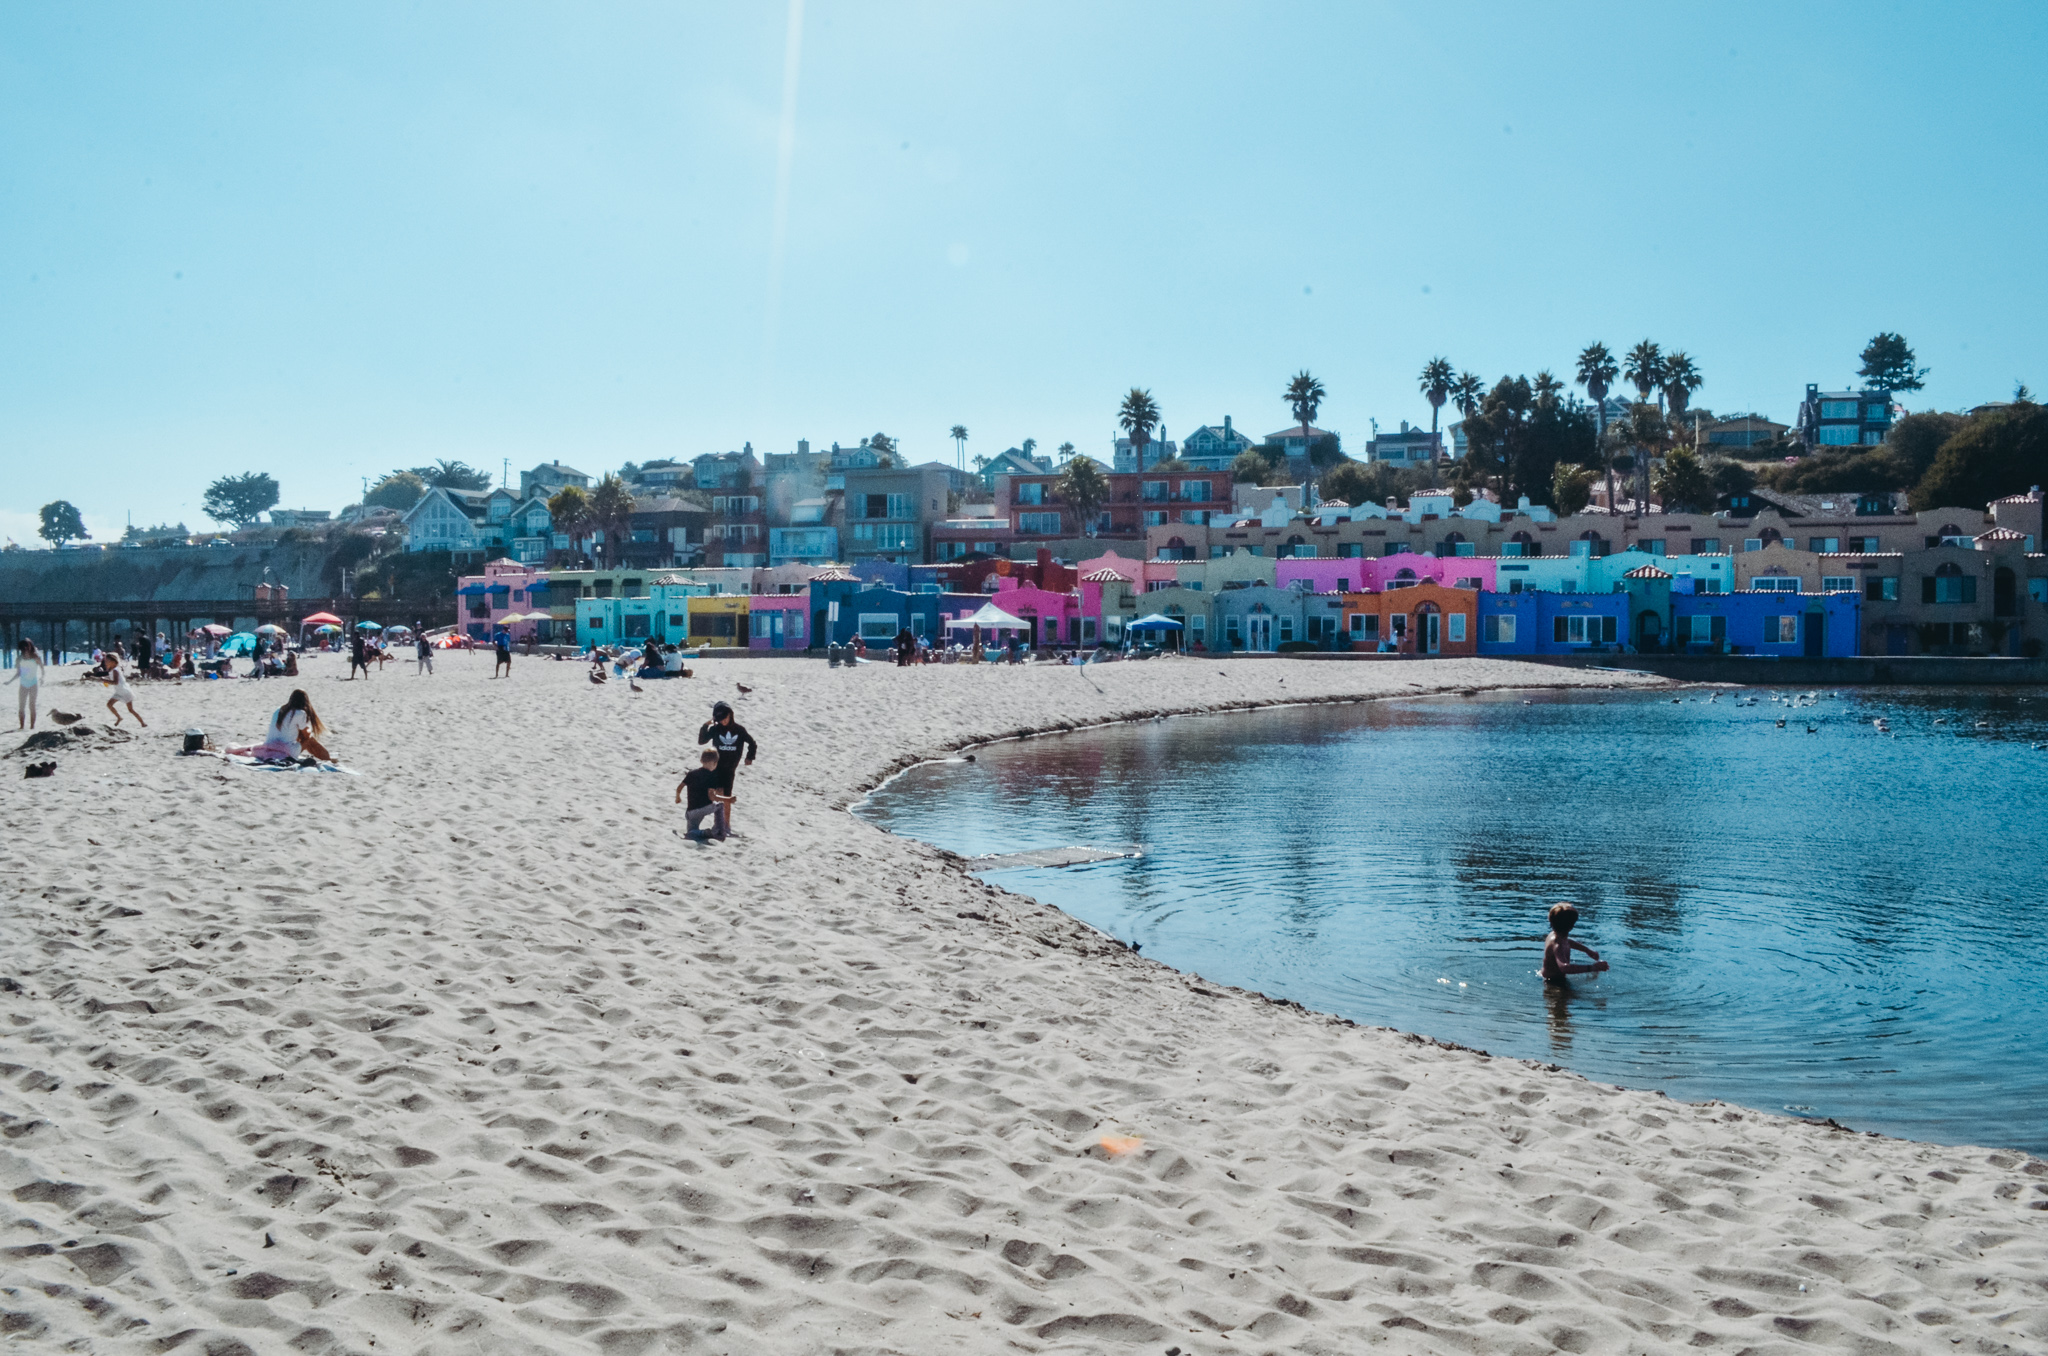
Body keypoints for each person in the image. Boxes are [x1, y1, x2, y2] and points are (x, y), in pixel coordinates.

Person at [697, 701, 757, 832]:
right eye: (720, 719)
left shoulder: (739, 730)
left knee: (727, 795)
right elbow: (701, 741)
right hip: (716, 767)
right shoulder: (716, 729)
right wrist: (706, 724)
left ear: (730, 715)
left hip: (730, 769)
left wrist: (750, 757)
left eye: (725, 718)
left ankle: (726, 824)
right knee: (717, 794)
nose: (723, 721)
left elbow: (752, 743)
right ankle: (719, 823)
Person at [230, 687, 334, 762]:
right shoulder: (300, 713)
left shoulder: (279, 710)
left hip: (270, 745)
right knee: (309, 740)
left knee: (304, 739)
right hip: (285, 750)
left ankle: (327, 758)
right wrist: (308, 732)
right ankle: (328, 759)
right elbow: (306, 736)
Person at [675, 748, 734, 840]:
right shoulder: (712, 776)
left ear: (701, 760)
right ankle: (719, 830)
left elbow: (679, 787)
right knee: (720, 805)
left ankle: (702, 832)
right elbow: (712, 796)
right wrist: (727, 799)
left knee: (691, 831)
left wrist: (678, 797)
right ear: (715, 763)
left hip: (691, 812)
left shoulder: (691, 773)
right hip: (704, 808)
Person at [1541, 903, 1608, 983]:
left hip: (1551, 978)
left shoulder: (1556, 936)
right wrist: (1592, 968)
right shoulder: (1557, 944)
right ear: (1571, 926)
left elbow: (1568, 942)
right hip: (1553, 982)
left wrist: (1587, 950)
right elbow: (1564, 968)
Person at [101, 652, 146, 727]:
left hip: (124, 691)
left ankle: (143, 723)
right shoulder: (112, 670)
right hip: (119, 691)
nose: (105, 663)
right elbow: (114, 679)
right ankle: (119, 717)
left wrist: (106, 681)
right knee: (109, 705)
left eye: (107, 661)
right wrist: (106, 680)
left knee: (131, 710)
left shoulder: (115, 670)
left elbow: (115, 682)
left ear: (113, 662)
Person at [8, 640, 42, 729]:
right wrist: (10, 681)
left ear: (30, 647)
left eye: (27, 647)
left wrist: (42, 677)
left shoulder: (36, 657)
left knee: (32, 705)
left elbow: (42, 669)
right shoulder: (19, 659)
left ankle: (32, 726)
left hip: (33, 684)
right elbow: (19, 673)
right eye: (23, 648)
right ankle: (21, 726)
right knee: (21, 706)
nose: (25, 649)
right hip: (23, 684)